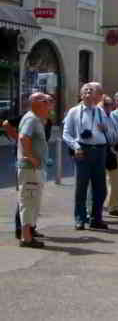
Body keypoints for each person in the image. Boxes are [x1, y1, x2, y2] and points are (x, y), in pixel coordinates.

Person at [63, 82, 117, 230]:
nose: (88, 92)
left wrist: (106, 128)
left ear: (95, 96)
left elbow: (112, 132)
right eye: (85, 90)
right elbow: (66, 134)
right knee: (81, 187)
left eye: (91, 90)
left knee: (100, 188)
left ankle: (96, 219)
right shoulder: (74, 111)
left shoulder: (101, 112)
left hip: (100, 151)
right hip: (83, 150)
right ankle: (80, 219)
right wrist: (76, 147)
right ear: (81, 95)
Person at [16, 93, 51, 248]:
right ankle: (26, 238)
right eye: (45, 101)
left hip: (34, 168)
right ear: (35, 103)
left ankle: (28, 234)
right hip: (29, 168)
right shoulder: (31, 119)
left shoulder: (36, 119)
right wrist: (31, 157)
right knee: (28, 201)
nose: (48, 104)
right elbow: (23, 138)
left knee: (32, 201)